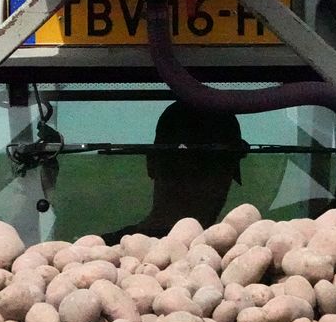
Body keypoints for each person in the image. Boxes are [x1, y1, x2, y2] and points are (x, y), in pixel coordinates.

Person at [102, 101, 247, 243]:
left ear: (151, 163)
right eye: (197, 170)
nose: (208, 187)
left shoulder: (103, 249)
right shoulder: (101, 252)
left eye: (221, 170)